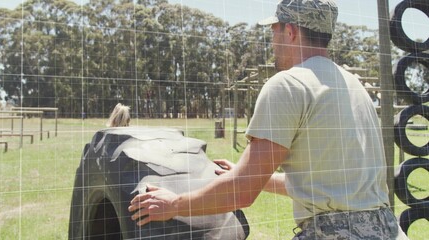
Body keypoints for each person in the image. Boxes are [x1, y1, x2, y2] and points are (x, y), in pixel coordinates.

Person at [128, 0, 408, 239]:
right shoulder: (353, 84)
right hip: (389, 229)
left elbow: (242, 193)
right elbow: (324, 186)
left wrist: (174, 204)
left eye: (274, 30)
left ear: (290, 31)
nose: (272, 41)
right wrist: (249, 171)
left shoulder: (287, 84)